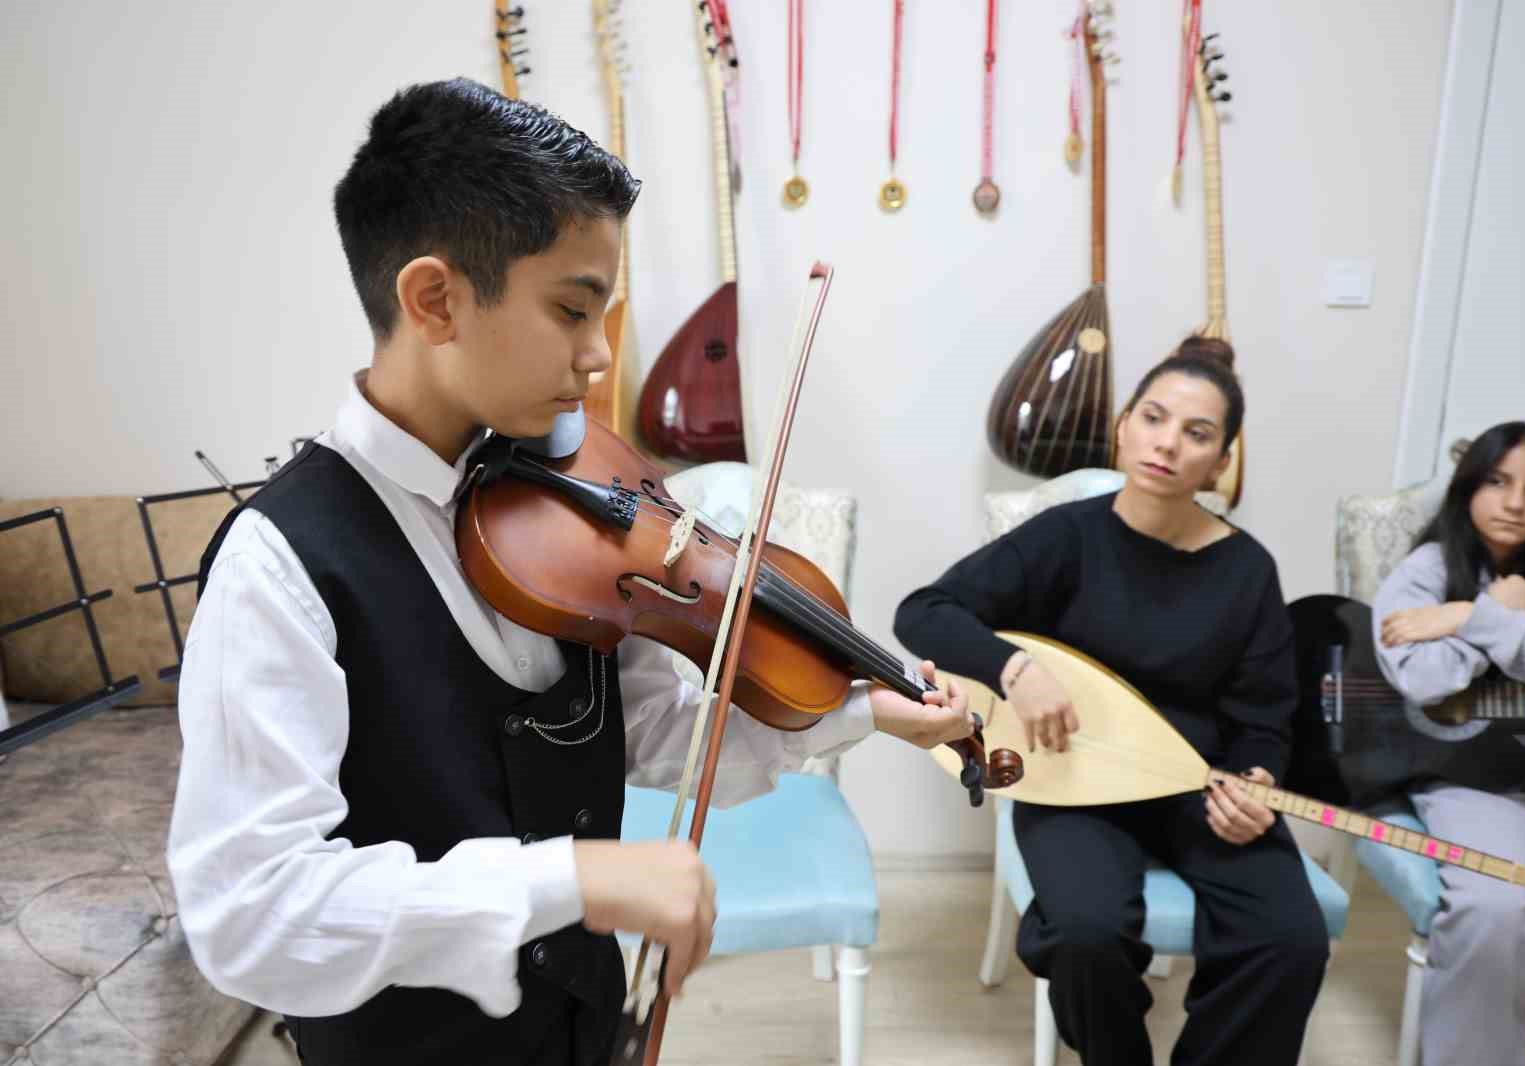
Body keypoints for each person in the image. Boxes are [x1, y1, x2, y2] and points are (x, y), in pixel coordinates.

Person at [166, 78, 972, 1066]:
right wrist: (576, 880)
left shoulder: (565, 499)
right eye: (571, 309)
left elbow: (652, 731)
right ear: (434, 299)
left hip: (588, 1029)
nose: (599, 358)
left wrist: (862, 706)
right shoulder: (280, 569)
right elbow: (251, 915)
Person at [895, 350, 1328, 1066]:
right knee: (1084, 933)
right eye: (1153, 419)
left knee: (1290, 938)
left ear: (1221, 462)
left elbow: (1265, 715)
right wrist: (1015, 668)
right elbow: (925, 611)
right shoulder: (1067, 536)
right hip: (1074, 783)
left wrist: (1255, 779)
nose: (1167, 442)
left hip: (1202, 784)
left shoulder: (1247, 570)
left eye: (1196, 433)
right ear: (1123, 430)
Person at [1374, 421, 1525, 1066]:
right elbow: (1421, 678)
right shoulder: (1423, 571)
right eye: (1498, 482)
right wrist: (1497, 614)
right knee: (1499, 902)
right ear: (1469, 487)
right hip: (1474, 776)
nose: (1514, 503)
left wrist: (1471, 618)